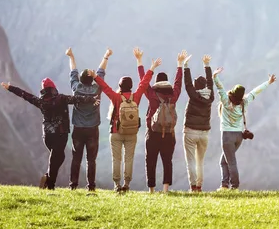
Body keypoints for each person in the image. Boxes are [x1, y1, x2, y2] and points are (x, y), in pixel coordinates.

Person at [0, 78, 99, 190]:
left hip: (47, 135)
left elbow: (25, 95)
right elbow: (77, 99)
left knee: (58, 157)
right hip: (60, 134)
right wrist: (91, 99)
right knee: (57, 157)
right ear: (53, 88)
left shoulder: (40, 102)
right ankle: (50, 184)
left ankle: (48, 178)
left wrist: (10, 88)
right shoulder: (61, 98)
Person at [91, 56, 162, 192]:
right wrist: (152, 68)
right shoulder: (136, 96)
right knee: (129, 159)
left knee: (116, 159)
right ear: (131, 86)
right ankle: (127, 184)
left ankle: (117, 185)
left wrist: (95, 76)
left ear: (120, 87)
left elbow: (105, 88)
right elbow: (144, 83)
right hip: (132, 133)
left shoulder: (116, 97)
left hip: (116, 132)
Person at [213, 68, 277, 190]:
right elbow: (255, 91)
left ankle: (234, 186)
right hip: (238, 136)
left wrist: (215, 76)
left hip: (227, 136)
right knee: (224, 161)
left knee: (230, 161)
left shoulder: (226, 101)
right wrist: (268, 82)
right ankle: (224, 185)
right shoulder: (244, 102)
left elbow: (220, 88)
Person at [134, 47, 184, 193]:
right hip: (169, 133)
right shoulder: (173, 96)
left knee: (151, 161)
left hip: (153, 133)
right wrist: (179, 65)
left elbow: (143, 81)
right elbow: (178, 83)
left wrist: (141, 61)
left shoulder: (152, 95)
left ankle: (151, 189)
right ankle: (165, 189)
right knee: (167, 161)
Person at [65, 47, 112, 192]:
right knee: (91, 159)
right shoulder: (97, 89)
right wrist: (106, 56)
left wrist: (71, 56)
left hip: (78, 129)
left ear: (81, 79)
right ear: (92, 79)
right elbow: (101, 73)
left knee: (76, 158)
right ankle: (91, 186)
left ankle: (73, 185)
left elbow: (73, 72)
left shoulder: (76, 87)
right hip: (92, 129)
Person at [182, 53, 215, 192]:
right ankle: (199, 186)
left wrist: (185, 66)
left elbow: (188, 83)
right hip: (204, 134)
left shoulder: (193, 95)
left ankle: (193, 186)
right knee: (200, 161)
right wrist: (206, 65)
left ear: (196, 86)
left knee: (191, 160)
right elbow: (210, 81)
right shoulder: (211, 95)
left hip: (190, 131)